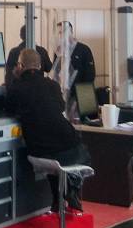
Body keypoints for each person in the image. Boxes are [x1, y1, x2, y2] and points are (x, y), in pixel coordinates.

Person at [6, 48, 90, 211]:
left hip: (41, 149)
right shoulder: (52, 85)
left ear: (20, 66)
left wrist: (14, 79)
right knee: (66, 159)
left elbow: (9, 108)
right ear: (39, 66)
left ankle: (59, 198)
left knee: (53, 160)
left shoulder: (17, 88)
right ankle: (69, 190)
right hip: (71, 146)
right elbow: (60, 107)